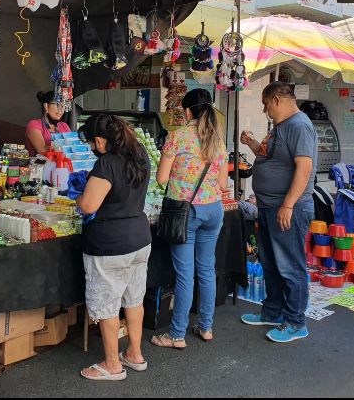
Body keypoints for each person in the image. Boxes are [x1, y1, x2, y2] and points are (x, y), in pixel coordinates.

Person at [238, 81, 317, 343]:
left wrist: (288, 204)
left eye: (265, 104)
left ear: (277, 100)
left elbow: (304, 168)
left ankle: (295, 322)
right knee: (271, 263)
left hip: (288, 209)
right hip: (269, 206)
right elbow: (267, 155)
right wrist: (251, 143)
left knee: (290, 265)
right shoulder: (281, 127)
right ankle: (273, 311)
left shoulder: (299, 125)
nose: (264, 111)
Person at [76, 113, 152, 381]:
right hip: (140, 239)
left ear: (99, 140)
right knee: (134, 299)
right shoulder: (140, 153)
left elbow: (88, 206)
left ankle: (112, 365)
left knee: (107, 305)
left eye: (90, 143)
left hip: (110, 244)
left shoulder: (106, 165)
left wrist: (78, 197)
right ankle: (134, 353)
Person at [151, 89, 228, 349]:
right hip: (214, 209)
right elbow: (222, 183)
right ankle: (205, 327)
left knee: (185, 275)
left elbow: (161, 179)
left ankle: (176, 334)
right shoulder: (218, 139)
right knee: (207, 270)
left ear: (187, 111)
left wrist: (179, 180)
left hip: (186, 212)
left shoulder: (178, 136)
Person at [25, 91, 72, 156]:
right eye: (58, 105)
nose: (61, 110)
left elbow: (73, 145)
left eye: (63, 106)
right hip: (40, 165)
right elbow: (42, 150)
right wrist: (67, 148)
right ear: (46, 106)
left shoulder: (64, 125)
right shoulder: (34, 124)